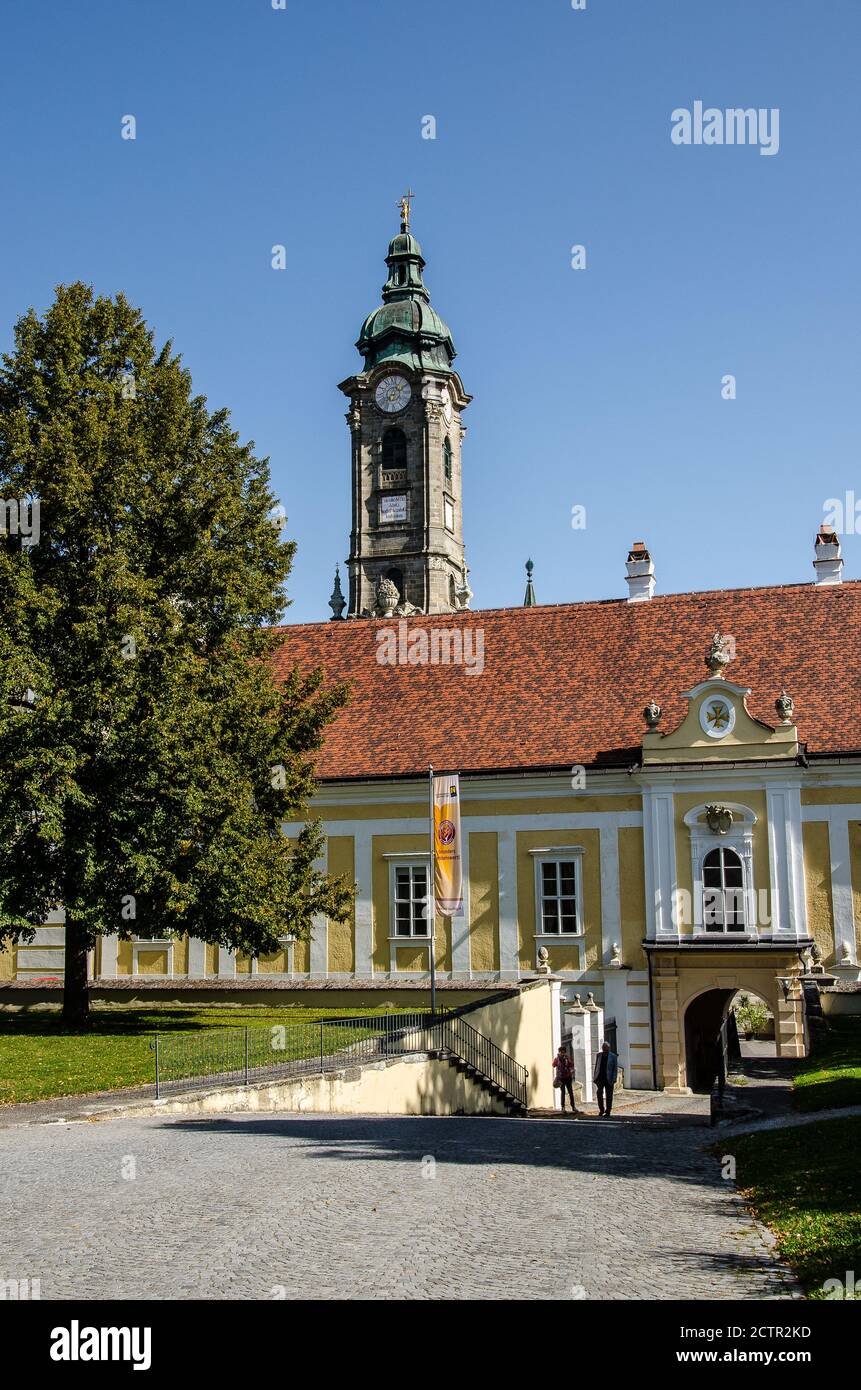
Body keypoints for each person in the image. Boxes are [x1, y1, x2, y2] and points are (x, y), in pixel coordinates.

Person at [593, 1040, 618, 1117]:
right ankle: (601, 1109)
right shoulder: (599, 1055)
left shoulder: (613, 1056)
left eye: (606, 1047)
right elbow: (597, 1066)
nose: (604, 1049)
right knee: (599, 1093)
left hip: (609, 1078)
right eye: (603, 1047)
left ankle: (608, 1111)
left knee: (609, 1095)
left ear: (609, 1048)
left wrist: (614, 1078)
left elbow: (615, 1069)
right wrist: (595, 1077)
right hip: (600, 1078)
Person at [553, 1044, 578, 1114]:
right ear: (559, 1052)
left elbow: (571, 1064)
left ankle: (573, 1107)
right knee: (563, 1092)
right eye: (561, 1052)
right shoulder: (557, 1059)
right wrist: (557, 1060)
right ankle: (563, 1107)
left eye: (563, 1052)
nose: (562, 1053)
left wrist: (568, 1060)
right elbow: (553, 1065)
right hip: (561, 1078)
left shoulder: (567, 1058)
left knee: (570, 1092)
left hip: (568, 1077)